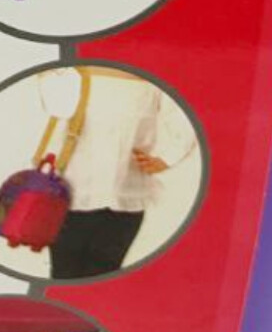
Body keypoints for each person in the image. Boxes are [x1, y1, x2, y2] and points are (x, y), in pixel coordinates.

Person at [34, 67, 197, 279]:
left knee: (81, 274)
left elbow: (185, 118)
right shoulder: (69, 73)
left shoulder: (152, 78)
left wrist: (167, 157)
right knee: (75, 274)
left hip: (117, 195)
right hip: (74, 194)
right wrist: (168, 156)